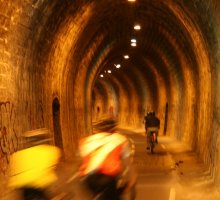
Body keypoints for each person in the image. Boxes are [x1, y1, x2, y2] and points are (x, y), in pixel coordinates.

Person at [78, 117, 136, 200]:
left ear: (97, 130)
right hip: (108, 178)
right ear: (113, 129)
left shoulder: (86, 141)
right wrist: (132, 178)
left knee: (94, 194)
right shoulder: (120, 139)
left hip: (88, 179)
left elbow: (83, 161)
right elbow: (127, 163)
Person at [8, 128, 61, 200]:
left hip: (24, 185)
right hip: (41, 184)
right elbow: (53, 168)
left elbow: (15, 173)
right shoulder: (52, 151)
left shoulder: (18, 155)